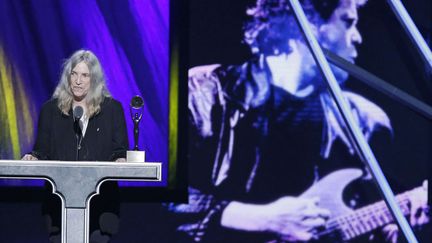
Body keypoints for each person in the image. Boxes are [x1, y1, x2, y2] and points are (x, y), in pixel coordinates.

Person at [167, 0, 429, 242]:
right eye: (347, 22)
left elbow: (362, 221)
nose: (358, 37)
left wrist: (398, 231)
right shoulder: (202, 93)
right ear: (304, 25)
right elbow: (147, 185)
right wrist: (261, 218)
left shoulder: (365, 122)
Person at [22, 49, 128, 243]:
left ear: (94, 79)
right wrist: (33, 157)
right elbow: (42, 151)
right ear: (68, 77)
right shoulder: (51, 110)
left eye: (85, 75)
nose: (78, 81)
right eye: (74, 74)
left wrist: (120, 159)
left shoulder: (112, 110)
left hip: (101, 207)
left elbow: (119, 151)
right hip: (59, 209)